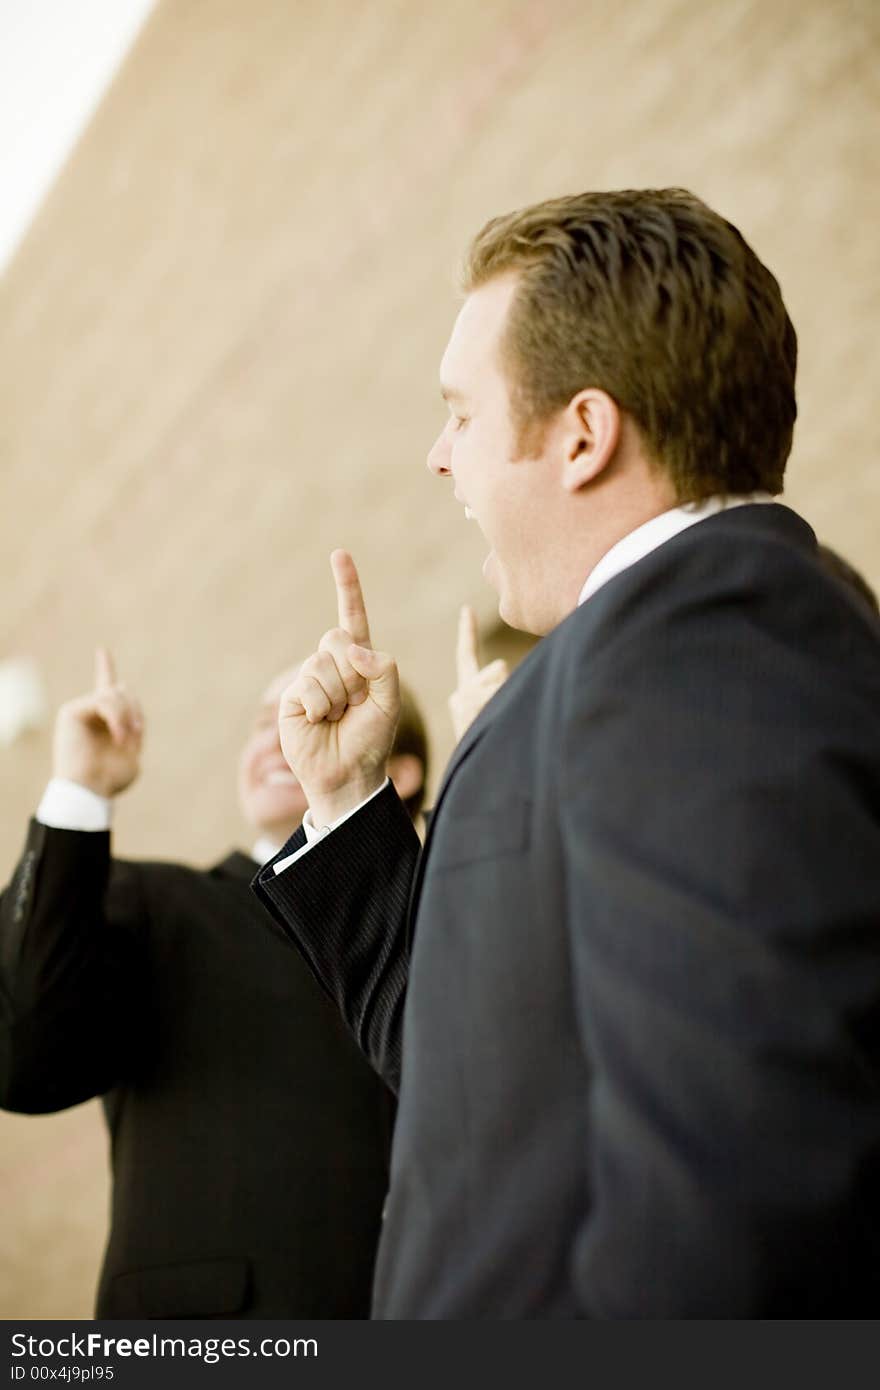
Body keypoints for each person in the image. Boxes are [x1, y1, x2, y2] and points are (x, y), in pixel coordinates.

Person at [252, 189, 880, 1319]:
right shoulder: (648, 647)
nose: (438, 457)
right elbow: (481, 1064)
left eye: (461, 412)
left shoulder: (705, 628)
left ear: (581, 434)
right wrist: (345, 800)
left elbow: (740, 1148)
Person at [0, 649, 428, 1318]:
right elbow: (20, 1057)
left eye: (318, 710)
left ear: (401, 772)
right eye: (263, 722)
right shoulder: (153, 905)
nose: (279, 735)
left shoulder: (450, 925)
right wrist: (79, 790)